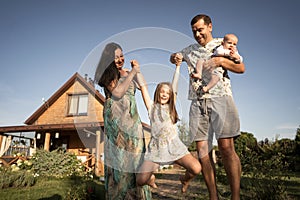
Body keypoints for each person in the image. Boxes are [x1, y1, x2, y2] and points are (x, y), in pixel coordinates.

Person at [170, 14, 245, 200]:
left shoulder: (224, 43)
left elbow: (241, 68)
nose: (197, 34)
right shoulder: (189, 50)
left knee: (226, 148)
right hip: (197, 102)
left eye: (200, 29)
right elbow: (175, 57)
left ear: (210, 26)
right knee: (202, 150)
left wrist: (220, 61)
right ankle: (213, 196)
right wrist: (174, 57)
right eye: (194, 31)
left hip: (221, 98)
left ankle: (235, 196)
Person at [94, 42, 152, 200]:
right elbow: (118, 92)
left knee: (136, 159)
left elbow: (143, 86)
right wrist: (133, 72)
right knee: (120, 161)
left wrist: (137, 70)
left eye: (121, 55)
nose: (120, 59)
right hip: (117, 123)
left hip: (132, 122)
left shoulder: (128, 72)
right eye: (116, 57)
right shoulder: (107, 74)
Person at [135, 63, 201, 193]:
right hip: (157, 149)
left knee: (196, 168)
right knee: (140, 181)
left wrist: (177, 67)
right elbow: (143, 87)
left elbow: (174, 86)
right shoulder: (152, 107)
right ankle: (150, 179)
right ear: (157, 93)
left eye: (168, 93)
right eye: (162, 92)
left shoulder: (171, 109)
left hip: (174, 147)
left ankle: (185, 180)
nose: (165, 94)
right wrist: (136, 70)